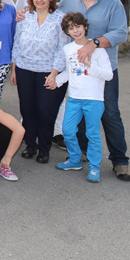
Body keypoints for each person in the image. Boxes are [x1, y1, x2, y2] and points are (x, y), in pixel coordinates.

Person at [57, 0, 130, 182]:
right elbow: (55, 21)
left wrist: (94, 43)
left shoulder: (112, 3)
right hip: (78, 69)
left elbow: (121, 32)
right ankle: (83, 153)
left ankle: (120, 161)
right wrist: (25, 13)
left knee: (109, 114)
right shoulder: (69, 1)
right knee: (79, 112)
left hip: (102, 69)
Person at [11, 0, 67, 164]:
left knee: (45, 111)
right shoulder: (24, 17)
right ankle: (30, 144)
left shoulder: (60, 19)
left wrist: (54, 73)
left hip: (48, 72)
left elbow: (62, 48)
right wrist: (14, 68)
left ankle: (44, 147)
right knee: (27, 109)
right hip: (24, 69)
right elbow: (17, 43)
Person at [53, 12, 114, 183]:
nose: (75, 31)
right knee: (68, 130)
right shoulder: (68, 49)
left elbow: (108, 75)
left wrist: (90, 65)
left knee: (92, 133)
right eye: (71, 28)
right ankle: (75, 159)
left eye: (78, 26)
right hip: (73, 98)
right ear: (67, 32)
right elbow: (69, 72)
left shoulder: (99, 50)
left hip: (94, 99)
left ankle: (95, 166)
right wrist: (55, 81)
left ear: (85, 27)